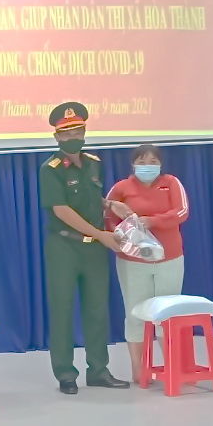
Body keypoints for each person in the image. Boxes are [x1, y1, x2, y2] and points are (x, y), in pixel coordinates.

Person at [38, 102, 130, 395]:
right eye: (66, 133)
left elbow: (89, 198)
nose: (73, 137)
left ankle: (99, 370)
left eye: (77, 131)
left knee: (97, 311)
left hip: (93, 251)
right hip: (64, 247)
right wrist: (101, 234)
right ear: (57, 137)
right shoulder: (50, 169)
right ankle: (65, 373)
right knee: (62, 311)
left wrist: (110, 204)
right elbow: (62, 209)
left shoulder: (94, 162)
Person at [105, 145, 190, 383]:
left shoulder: (171, 183)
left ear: (161, 164)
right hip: (133, 260)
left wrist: (152, 221)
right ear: (133, 165)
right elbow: (108, 217)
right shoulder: (122, 187)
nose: (147, 167)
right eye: (142, 162)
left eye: (153, 162)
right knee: (135, 314)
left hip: (169, 257)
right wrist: (121, 237)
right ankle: (139, 369)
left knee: (167, 314)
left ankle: (172, 365)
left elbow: (182, 212)